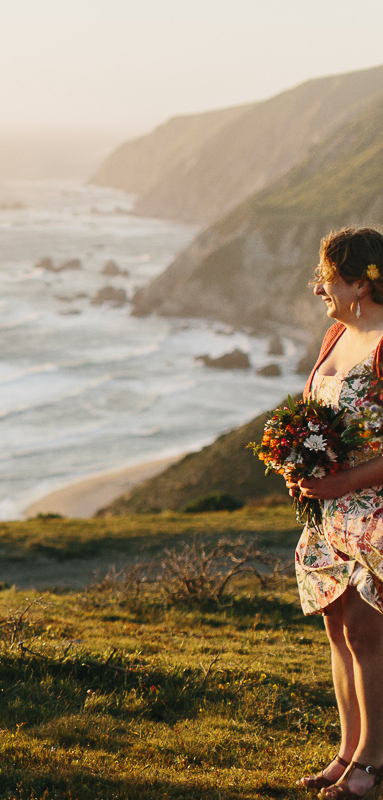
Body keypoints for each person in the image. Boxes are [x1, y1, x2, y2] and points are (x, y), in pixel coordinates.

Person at [292, 228, 383, 799]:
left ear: (359, 280)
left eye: (327, 275)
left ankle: (374, 766)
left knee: (371, 635)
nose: (319, 284)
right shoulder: (335, 334)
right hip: (328, 515)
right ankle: (347, 753)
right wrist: (296, 461)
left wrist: (344, 481)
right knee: (339, 629)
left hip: (373, 510)